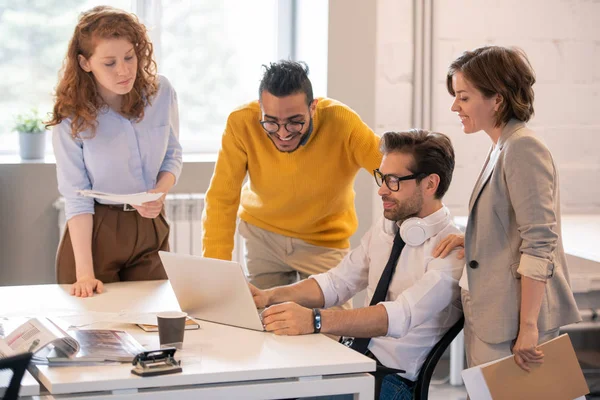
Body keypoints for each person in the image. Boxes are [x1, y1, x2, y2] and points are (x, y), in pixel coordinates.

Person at [251, 130, 464, 400]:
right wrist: (269, 295)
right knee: (266, 380)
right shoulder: (389, 226)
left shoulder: (450, 252)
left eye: (394, 180)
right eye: (382, 177)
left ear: (430, 184)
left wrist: (315, 320)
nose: (382, 189)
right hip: (354, 360)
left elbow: (397, 316)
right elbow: (336, 283)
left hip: (392, 381)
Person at [434, 45, 581, 372]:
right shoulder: (502, 145)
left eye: (464, 97)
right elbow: (509, 223)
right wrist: (474, 239)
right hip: (493, 312)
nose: (455, 106)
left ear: (496, 99)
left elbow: (540, 243)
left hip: (514, 320)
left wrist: (528, 327)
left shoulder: (522, 147)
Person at [202, 60, 382, 292]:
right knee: (261, 321)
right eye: (272, 123)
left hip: (323, 243)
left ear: (313, 108)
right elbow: (221, 198)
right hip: (263, 237)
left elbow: (390, 169)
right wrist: (217, 271)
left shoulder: (342, 122)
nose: (284, 133)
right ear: (260, 108)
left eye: (295, 122)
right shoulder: (241, 123)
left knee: (330, 325)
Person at [47, 6, 182, 298]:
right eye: (109, 63)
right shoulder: (71, 117)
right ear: (85, 63)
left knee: (152, 322)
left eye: (129, 57)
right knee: (96, 331)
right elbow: (76, 197)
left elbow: (172, 154)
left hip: (149, 226)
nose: (123, 70)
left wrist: (160, 191)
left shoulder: (161, 93)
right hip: (95, 229)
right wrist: (85, 274)